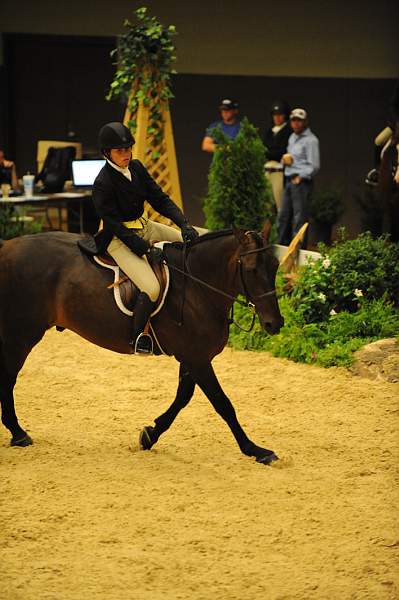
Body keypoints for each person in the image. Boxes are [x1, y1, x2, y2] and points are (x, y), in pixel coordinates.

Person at [91, 122, 200, 355]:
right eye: (120, 151)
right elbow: (115, 226)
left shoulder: (137, 168)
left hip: (145, 225)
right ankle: (137, 337)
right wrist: (145, 250)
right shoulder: (103, 183)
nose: (126, 154)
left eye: (129, 149)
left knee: (198, 240)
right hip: (119, 239)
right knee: (150, 288)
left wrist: (183, 223)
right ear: (106, 153)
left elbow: (159, 199)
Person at [277, 108, 320, 248]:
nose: (296, 123)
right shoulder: (292, 137)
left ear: (305, 122)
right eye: (293, 120)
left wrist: (301, 177)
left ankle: (297, 250)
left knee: (299, 218)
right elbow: (292, 159)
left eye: (299, 121)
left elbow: (314, 166)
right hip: (289, 180)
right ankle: (281, 248)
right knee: (283, 216)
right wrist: (285, 160)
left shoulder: (311, 140)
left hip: (300, 182)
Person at [263, 100, 292, 210]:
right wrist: (271, 153)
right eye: (275, 115)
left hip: (279, 171)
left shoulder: (288, 131)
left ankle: (281, 227)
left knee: (280, 204)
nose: (277, 118)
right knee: (265, 205)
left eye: (280, 115)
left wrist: (271, 153)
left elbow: (282, 151)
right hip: (266, 170)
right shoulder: (269, 131)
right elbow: (263, 149)